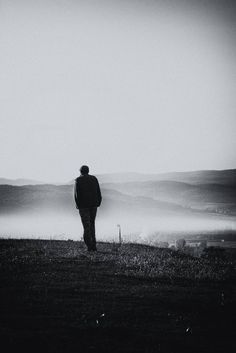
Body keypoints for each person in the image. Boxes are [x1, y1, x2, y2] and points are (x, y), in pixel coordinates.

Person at [74, 165, 102, 251]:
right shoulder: (94, 179)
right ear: (88, 171)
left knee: (86, 226)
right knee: (92, 224)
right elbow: (98, 191)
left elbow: (76, 195)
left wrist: (78, 206)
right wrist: (98, 202)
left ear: (81, 171)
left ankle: (89, 246)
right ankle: (93, 245)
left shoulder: (78, 180)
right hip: (94, 205)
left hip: (83, 206)